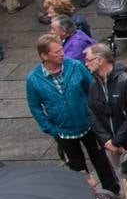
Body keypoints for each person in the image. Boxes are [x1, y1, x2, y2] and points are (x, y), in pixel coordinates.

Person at [28, 34, 119, 190]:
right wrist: (51, 129)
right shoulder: (33, 78)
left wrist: (96, 116)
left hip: (88, 125)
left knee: (101, 161)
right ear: (44, 55)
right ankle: (90, 198)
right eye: (56, 52)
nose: (62, 53)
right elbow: (35, 107)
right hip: (63, 132)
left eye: (61, 49)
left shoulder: (75, 66)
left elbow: (92, 89)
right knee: (77, 169)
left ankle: (113, 191)